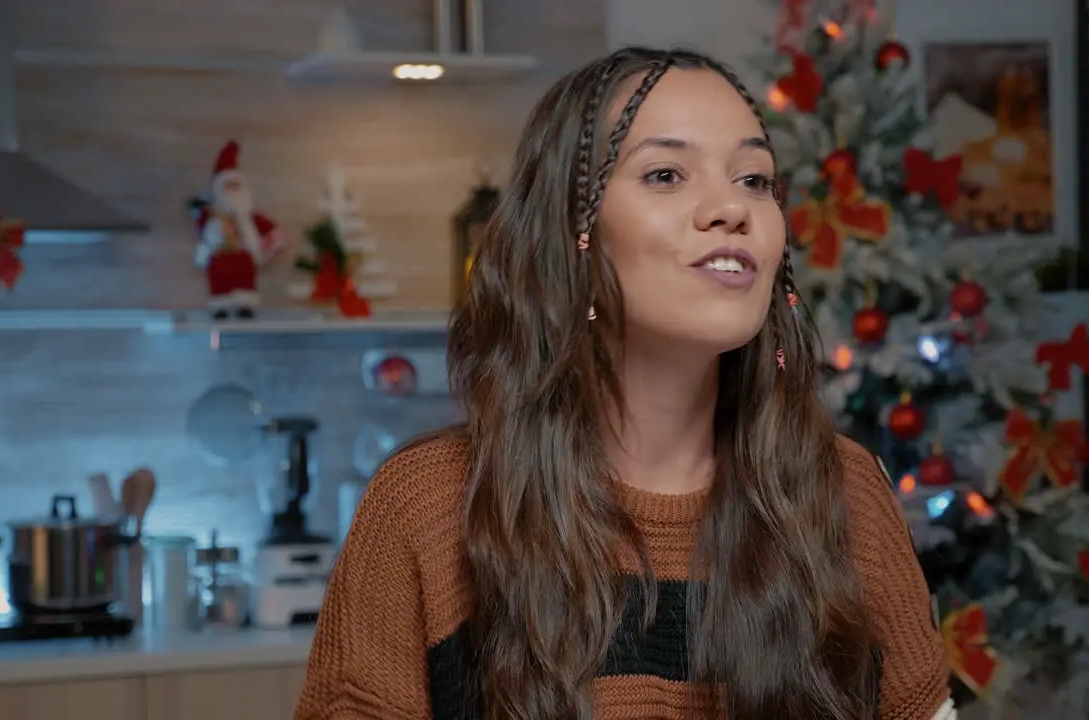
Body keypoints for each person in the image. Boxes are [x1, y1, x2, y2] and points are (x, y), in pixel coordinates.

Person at [295, 46, 953, 720]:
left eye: (755, 179)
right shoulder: (428, 506)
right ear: (573, 234)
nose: (731, 208)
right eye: (667, 174)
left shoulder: (844, 495)